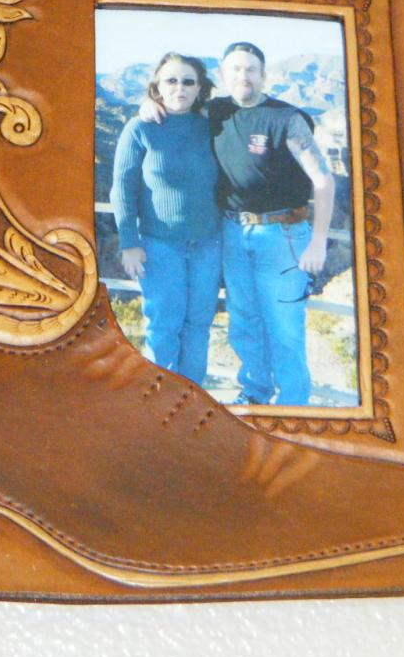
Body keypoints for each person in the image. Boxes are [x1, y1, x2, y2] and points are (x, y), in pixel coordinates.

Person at [140, 41, 335, 406]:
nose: (243, 76)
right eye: (235, 69)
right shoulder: (217, 111)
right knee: (244, 322)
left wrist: (319, 241)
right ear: (224, 75)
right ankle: (256, 395)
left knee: (284, 328)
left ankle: (293, 407)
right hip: (232, 232)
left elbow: (324, 181)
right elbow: (178, 105)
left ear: (263, 75)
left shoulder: (286, 119)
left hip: (283, 236)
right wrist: (148, 103)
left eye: (250, 69)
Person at [109, 53, 223, 384]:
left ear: (200, 88)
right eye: (171, 80)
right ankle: (159, 397)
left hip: (208, 245)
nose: (180, 88)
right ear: (157, 86)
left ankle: (193, 396)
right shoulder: (141, 128)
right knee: (163, 325)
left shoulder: (211, 126)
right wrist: (129, 242)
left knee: (198, 325)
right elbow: (122, 189)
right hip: (160, 246)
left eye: (188, 81)